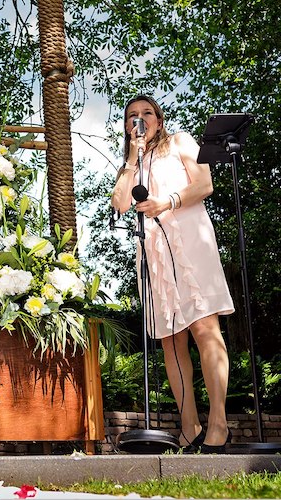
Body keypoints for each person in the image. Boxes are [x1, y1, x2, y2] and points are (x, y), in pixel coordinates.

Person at [111, 95, 235, 453]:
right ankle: (189, 425)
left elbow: (204, 185)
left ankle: (218, 423)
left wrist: (169, 202)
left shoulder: (180, 141)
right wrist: (132, 158)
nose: (139, 119)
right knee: (171, 339)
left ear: (159, 120)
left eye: (146, 113)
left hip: (190, 242)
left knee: (203, 327)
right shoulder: (129, 164)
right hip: (154, 253)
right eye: (132, 116)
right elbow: (120, 204)